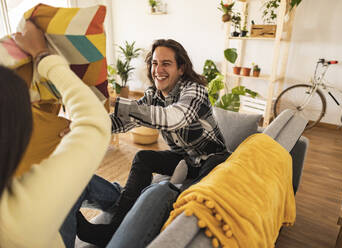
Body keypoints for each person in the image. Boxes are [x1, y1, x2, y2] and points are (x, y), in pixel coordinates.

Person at [76, 39, 230, 247]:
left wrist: (112, 100)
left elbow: (172, 117)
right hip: (185, 159)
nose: (158, 69)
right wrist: (82, 127)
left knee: (198, 191)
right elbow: (122, 121)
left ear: (181, 68)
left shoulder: (194, 91)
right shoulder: (153, 95)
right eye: (155, 63)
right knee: (143, 157)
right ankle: (113, 229)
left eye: (166, 63)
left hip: (213, 159)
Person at [0, 20, 111, 248]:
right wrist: (43, 55)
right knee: (155, 193)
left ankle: (96, 218)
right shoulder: (18, 217)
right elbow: (94, 122)